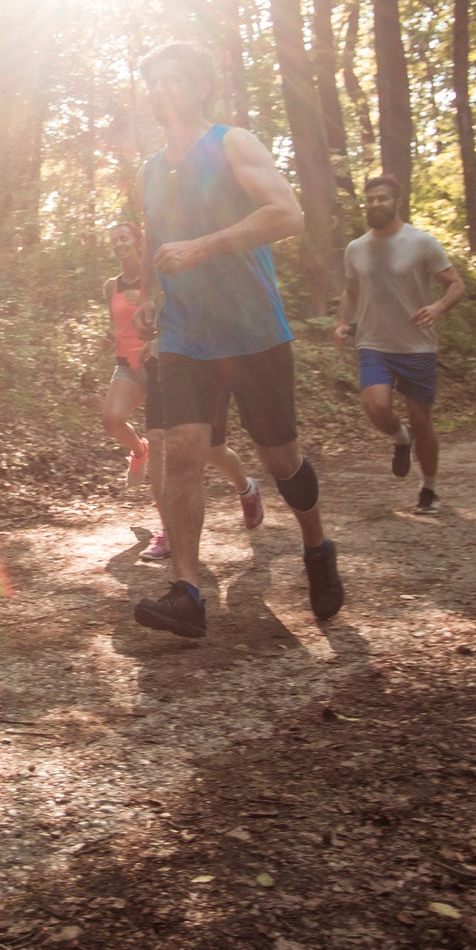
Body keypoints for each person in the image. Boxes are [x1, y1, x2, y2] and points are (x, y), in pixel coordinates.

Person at [127, 42, 342, 640]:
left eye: (174, 79)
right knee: (183, 454)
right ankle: (187, 592)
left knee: (281, 459)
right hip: (186, 335)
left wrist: (202, 247)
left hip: (251, 331)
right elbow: (154, 237)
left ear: (200, 87)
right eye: (154, 82)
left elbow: (287, 214)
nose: (162, 90)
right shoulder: (150, 168)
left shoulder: (233, 144)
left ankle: (317, 548)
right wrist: (148, 293)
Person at [101, 221, 264, 558]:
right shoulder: (111, 286)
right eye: (114, 239)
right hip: (131, 367)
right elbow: (116, 323)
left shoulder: (162, 273)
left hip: (166, 362)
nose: (119, 244)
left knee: (210, 450)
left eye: (125, 238)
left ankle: (246, 488)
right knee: (124, 426)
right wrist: (112, 336)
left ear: (139, 242)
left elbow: (181, 312)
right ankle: (166, 521)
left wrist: (157, 330)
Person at [333, 175, 464, 515]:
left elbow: (455, 284)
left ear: (397, 202)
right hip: (373, 343)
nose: (375, 204)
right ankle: (400, 438)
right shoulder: (356, 248)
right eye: (370, 199)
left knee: (422, 419)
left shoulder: (422, 242)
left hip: (416, 346)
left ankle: (429, 489)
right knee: (376, 408)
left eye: (381, 199)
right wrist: (342, 322)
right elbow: (350, 290)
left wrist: (437, 307)